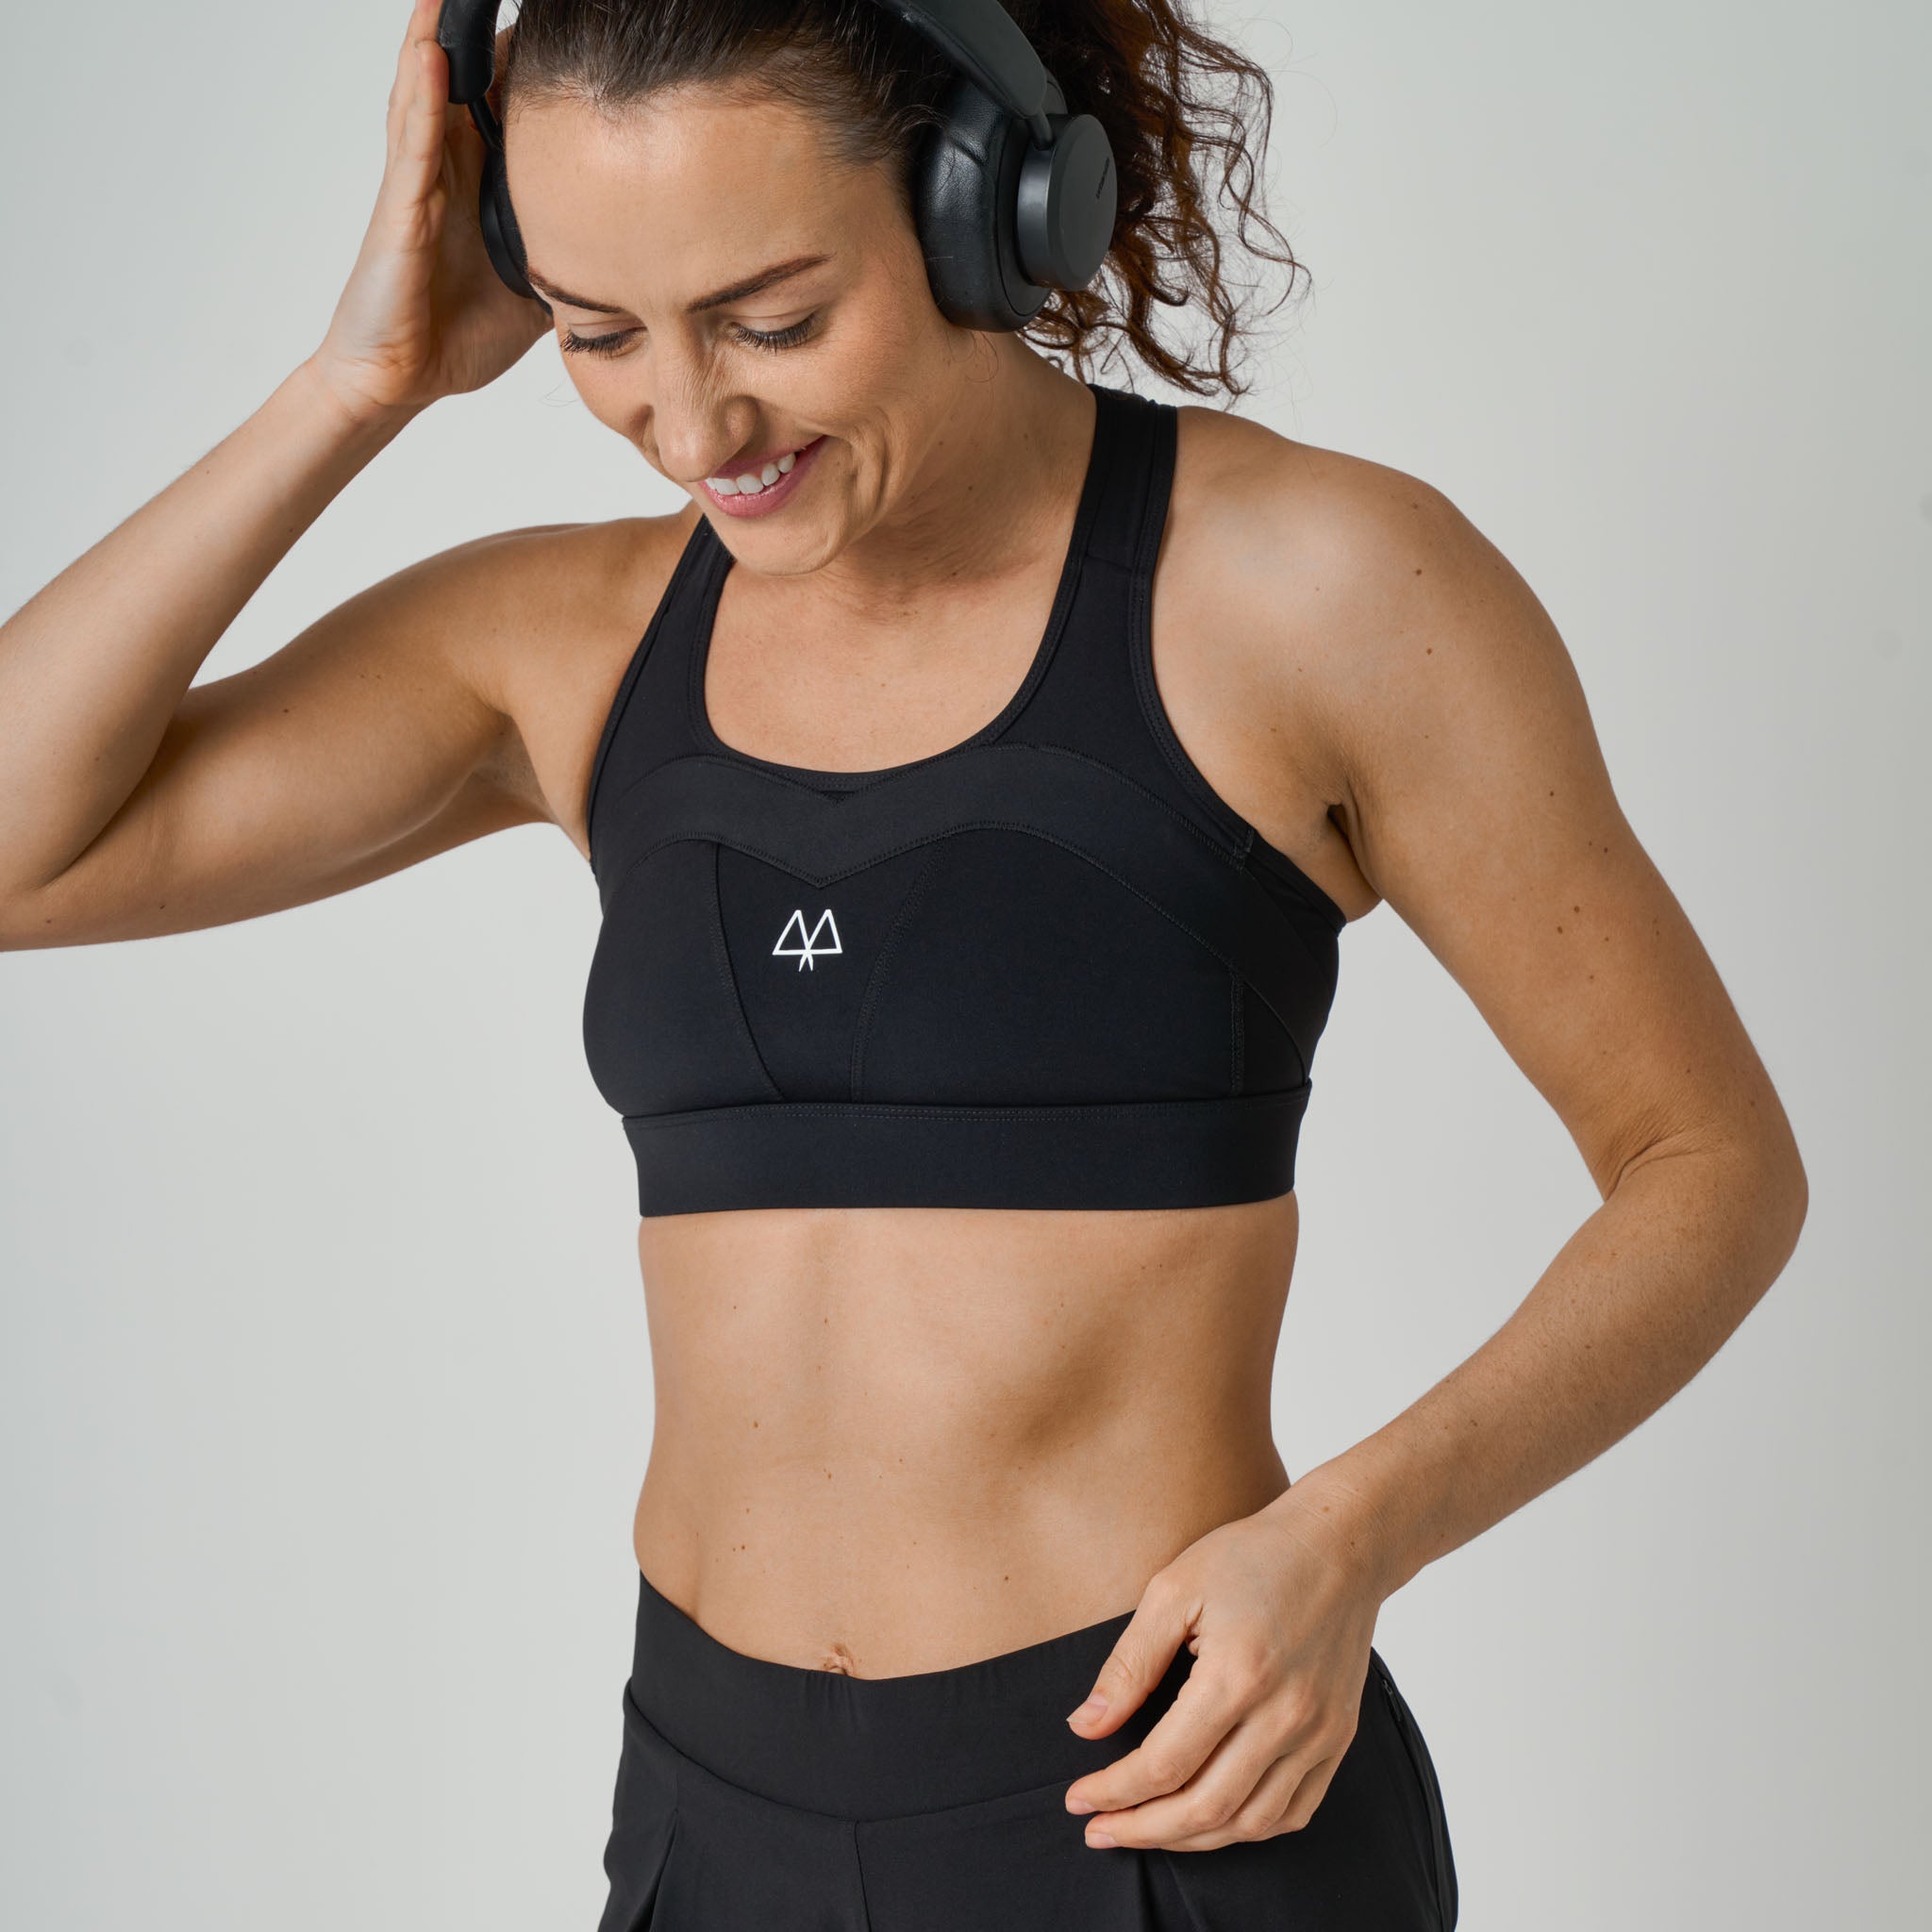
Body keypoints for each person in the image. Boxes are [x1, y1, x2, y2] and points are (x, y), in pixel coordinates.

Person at [0, 0, 1808, 1925]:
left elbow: (1709, 1168)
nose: (692, 426)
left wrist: (1349, 1537)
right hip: (707, 1812)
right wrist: (350, 386)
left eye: (771, 319)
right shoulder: (572, 645)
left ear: (985, 208)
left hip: (1156, 1799)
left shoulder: (1313, 590)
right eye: (600, 333)